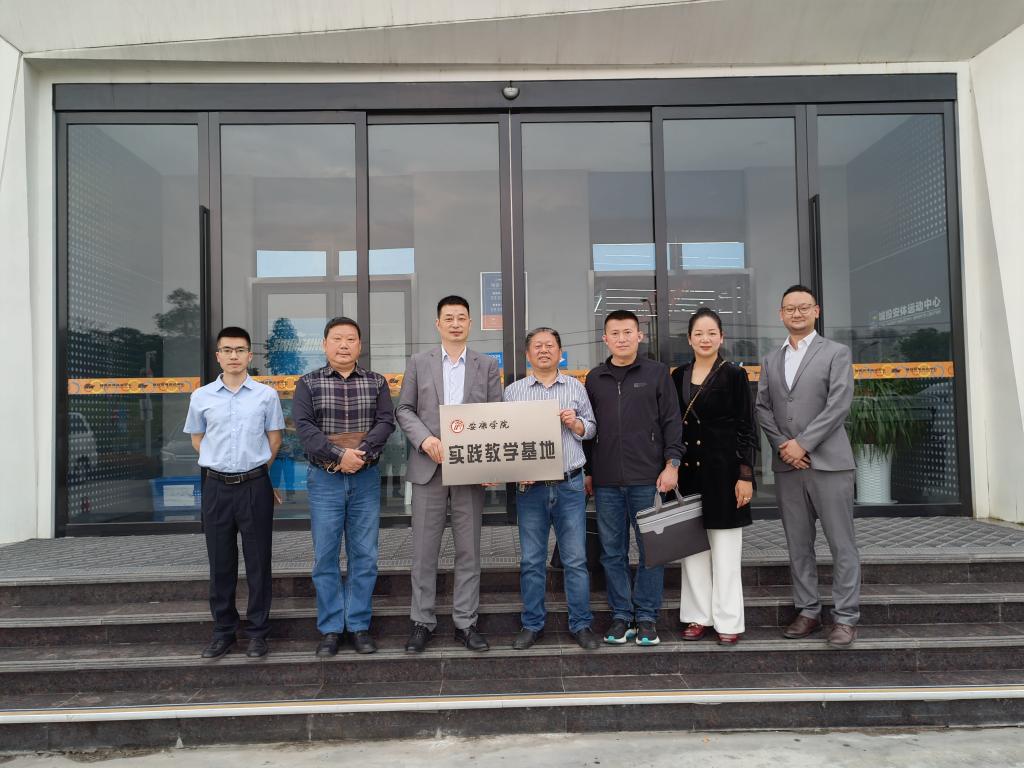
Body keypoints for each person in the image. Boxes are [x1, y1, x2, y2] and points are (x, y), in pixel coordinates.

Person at [755, 284, 860, 649]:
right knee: (798, 544)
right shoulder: (771, 359)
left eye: (803, 307)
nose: (796, 313)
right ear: (780, 314)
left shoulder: (836, 353)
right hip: (789, 466)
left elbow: (839, 404)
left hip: (829, 464)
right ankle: (808, 611)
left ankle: (845, 617)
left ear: (816, 311)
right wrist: (784, 447)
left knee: (841, 544)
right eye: (789, 308)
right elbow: (762, 408)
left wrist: (804, 443)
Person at [396, 295, 502, 653]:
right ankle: (421, 622)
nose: (455, 323)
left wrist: (491, 465)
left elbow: (495, 415)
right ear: (438, 324)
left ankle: (465, 623)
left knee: (469, 551)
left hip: (470, 470)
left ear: (470, 323)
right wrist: (425, 440)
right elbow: (404, 409)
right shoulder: (418, 362)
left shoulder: (487, 364)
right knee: (424, 552)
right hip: (429, 467)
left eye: (461, 318)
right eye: (449, 318)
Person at [293, 317, 396, 656]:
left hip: (365, 479)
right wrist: (340, 455)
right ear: (325, 344)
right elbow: (305, 429)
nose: (344, 345)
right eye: (337, 338)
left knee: (365, 554)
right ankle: (331, 628)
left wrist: (359, 455)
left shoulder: (376, 382)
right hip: (325, 479)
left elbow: (386, 422)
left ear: (360, 346)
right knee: (325, 555)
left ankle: (358, 624)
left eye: (351, 339)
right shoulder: (308, 383)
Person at [584, 310, 684, 647]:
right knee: (612, 552)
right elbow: (588, 431)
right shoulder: (595, 378)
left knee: (651, 551)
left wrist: (672, 464)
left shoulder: (656, 373)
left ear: (640, 336)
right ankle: (621, 615)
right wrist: (589, 472)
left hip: (648, 479)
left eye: (628, 332)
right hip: (607, 481)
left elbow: (672, 421)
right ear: (605, 339)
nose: (622, 338)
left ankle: (646, 617)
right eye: (615, 333)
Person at [184, 326, 284, 659]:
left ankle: (257, 633)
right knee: (220, 563)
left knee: (258, 562)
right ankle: (223, 632)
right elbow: (197, 439)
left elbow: (274, 440)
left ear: (250, 355)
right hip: (216, 487)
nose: (234, 356)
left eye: (240, 350)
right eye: (227, 350)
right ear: (218, 356)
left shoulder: (266, 395)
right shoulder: (201, 397)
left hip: (255, 485)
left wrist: (254, 470)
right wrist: (221, 464)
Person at [503, 327, 601, 651]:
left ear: (560, 352)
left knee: (575, 560)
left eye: (550, 346)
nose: (544, 350)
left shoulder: (575, 387)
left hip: (569, 484)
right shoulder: (513, 392)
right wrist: (516, 471)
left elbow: (591, 429)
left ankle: (581, 624)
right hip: (530, 490)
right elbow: (506, 440)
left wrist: (576, 423)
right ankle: (532, 624)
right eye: (537, 346)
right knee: (532, 561)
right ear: (528, 354)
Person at [671, 308, 757, 647]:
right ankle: (698, 616)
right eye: (698, 333)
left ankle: (728, 619)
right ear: (689, 339)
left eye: (711, 333)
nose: (705, 339)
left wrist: (745, 475)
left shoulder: (735, 375)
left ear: (721, 338)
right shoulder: (678, 375)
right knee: (692, 551)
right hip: (688, 474)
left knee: (725, 553)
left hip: (725, 474)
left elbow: (746, 427)